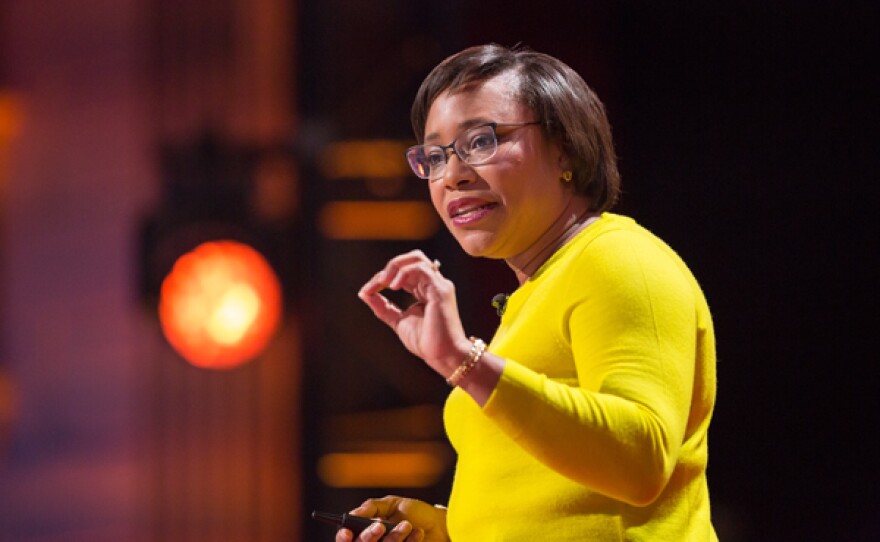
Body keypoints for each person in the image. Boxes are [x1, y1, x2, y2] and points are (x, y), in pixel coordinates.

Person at [340, 43, 717, 541]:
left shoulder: (618, 259)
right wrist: (448, 532)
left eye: (480, 142)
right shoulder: (538, 292)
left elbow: (640, 460)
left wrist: (465, 362)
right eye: (434, 156)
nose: (452, 175)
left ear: (565, 148)